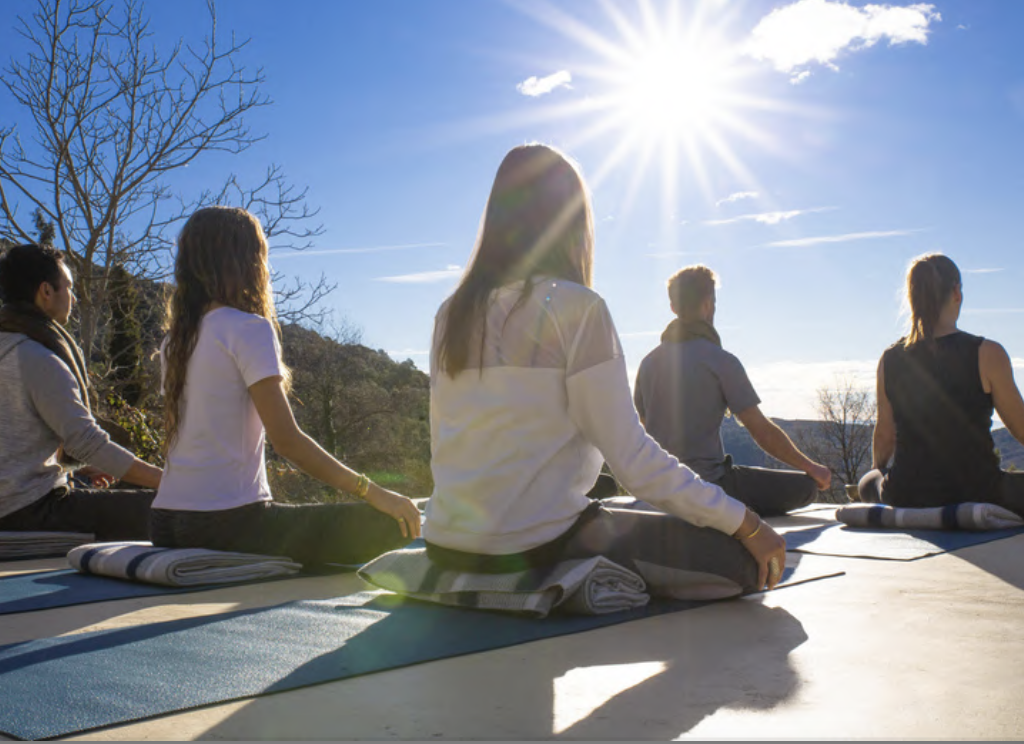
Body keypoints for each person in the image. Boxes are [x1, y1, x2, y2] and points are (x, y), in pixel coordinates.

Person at [423, 143, 786, 596]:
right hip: (539, 544)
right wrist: (748, 524)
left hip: (444, 542)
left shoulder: (451, 312)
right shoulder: (576, 307)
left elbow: (445, 443)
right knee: (744, 566)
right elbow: (633, 461)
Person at [152, 206, 421, 566]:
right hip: (228, 524)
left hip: (164, 522)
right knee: (395, 522)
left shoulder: (175, 341)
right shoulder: (248, 328)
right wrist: (371, 491)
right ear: (248, 261)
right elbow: (287, 441)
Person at [633, 265, 831, 517]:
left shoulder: (648, 363)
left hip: (659, 486)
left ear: (673, 307)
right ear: (707, 304)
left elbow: (643, 427)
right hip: (709, 486)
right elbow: (760, 430)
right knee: (806, 488)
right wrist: (811, 467)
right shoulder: (721, 360)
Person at [0, 243, 161, 539]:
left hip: (13, 501)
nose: (73, 298)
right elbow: (88, 443)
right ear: (46, 291)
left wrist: (80, 470)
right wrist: (172, 482)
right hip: (26, 510)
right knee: (167, 508)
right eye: (69, 288)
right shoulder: (36, 357)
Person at [858, 253, 1024, 514]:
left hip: (906, 494)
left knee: (868, 481)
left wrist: (879, 469)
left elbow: (884, 436)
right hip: (980, 492)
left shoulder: (890, 359)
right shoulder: (988, 353)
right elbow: (1021, 427)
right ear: (956, 292)